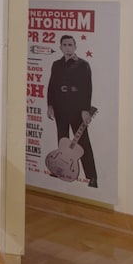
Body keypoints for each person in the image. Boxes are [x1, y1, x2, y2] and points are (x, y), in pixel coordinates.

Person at [46, 34, 98, 187]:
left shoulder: (83, 65)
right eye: (65, 45)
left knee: (83, 143)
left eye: (70, 45)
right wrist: (50, 105)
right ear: (60, 47)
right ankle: (60, 169)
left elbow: (87, 88)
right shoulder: (56, 64)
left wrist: (85, 110)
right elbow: (51, 86)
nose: (68, 47)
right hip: (60, 109)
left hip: (77, 110)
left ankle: (92, 177)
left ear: (75, 47)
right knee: (62, 140)